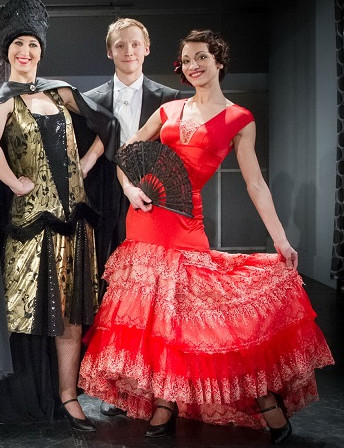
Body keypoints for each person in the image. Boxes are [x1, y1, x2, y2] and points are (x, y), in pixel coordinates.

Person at [78, 30, 334, 444]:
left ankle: (264, 399)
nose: (193, 66)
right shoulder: (169, 110)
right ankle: (165, 403)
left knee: (199, 322)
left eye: (201, 57)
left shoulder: (239, 119)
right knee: (159, 322)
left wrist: (281, 239)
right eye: (186, 60)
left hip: (186, 224)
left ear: (219, 61)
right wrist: (130, 189)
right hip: (145, 219)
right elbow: (125, 154)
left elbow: (255, 184)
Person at [0, 0, 117, 446]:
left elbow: (107, 127)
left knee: (70, 316)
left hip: (74, 224)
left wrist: (85, 164)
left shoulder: (60, 94)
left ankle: (68, 397)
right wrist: (15, 183)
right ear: (7, 51)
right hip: (28, 227)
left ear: (41, 50)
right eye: (18, 44)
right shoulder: (4, 100)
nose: (25, 51)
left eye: (32, 44)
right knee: (9, 312)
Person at [82, 17, 180, 418]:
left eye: (135, 44)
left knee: (151, 291)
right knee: (111, 289)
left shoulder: (170, 98)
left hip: (152, 202)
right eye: (120, 45)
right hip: (103, 201)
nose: (128, 51)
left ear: (147, 48)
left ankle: (156, 384)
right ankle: (119, 387)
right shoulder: (89, 99)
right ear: (110, 52)